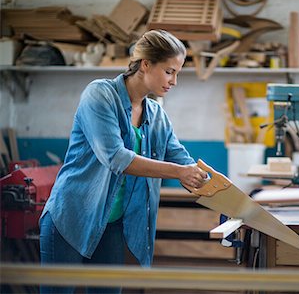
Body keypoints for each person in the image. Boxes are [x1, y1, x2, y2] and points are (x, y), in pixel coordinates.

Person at [39, 29, 207, 294]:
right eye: (169, 71)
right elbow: (115, 157)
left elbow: (181, 159)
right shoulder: (100, 95)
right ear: (146, 64)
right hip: (70, 217)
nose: (174, 81)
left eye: (178, 73)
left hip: (112, 224)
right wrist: (180, 172)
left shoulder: (156, 114)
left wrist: (217, 187)